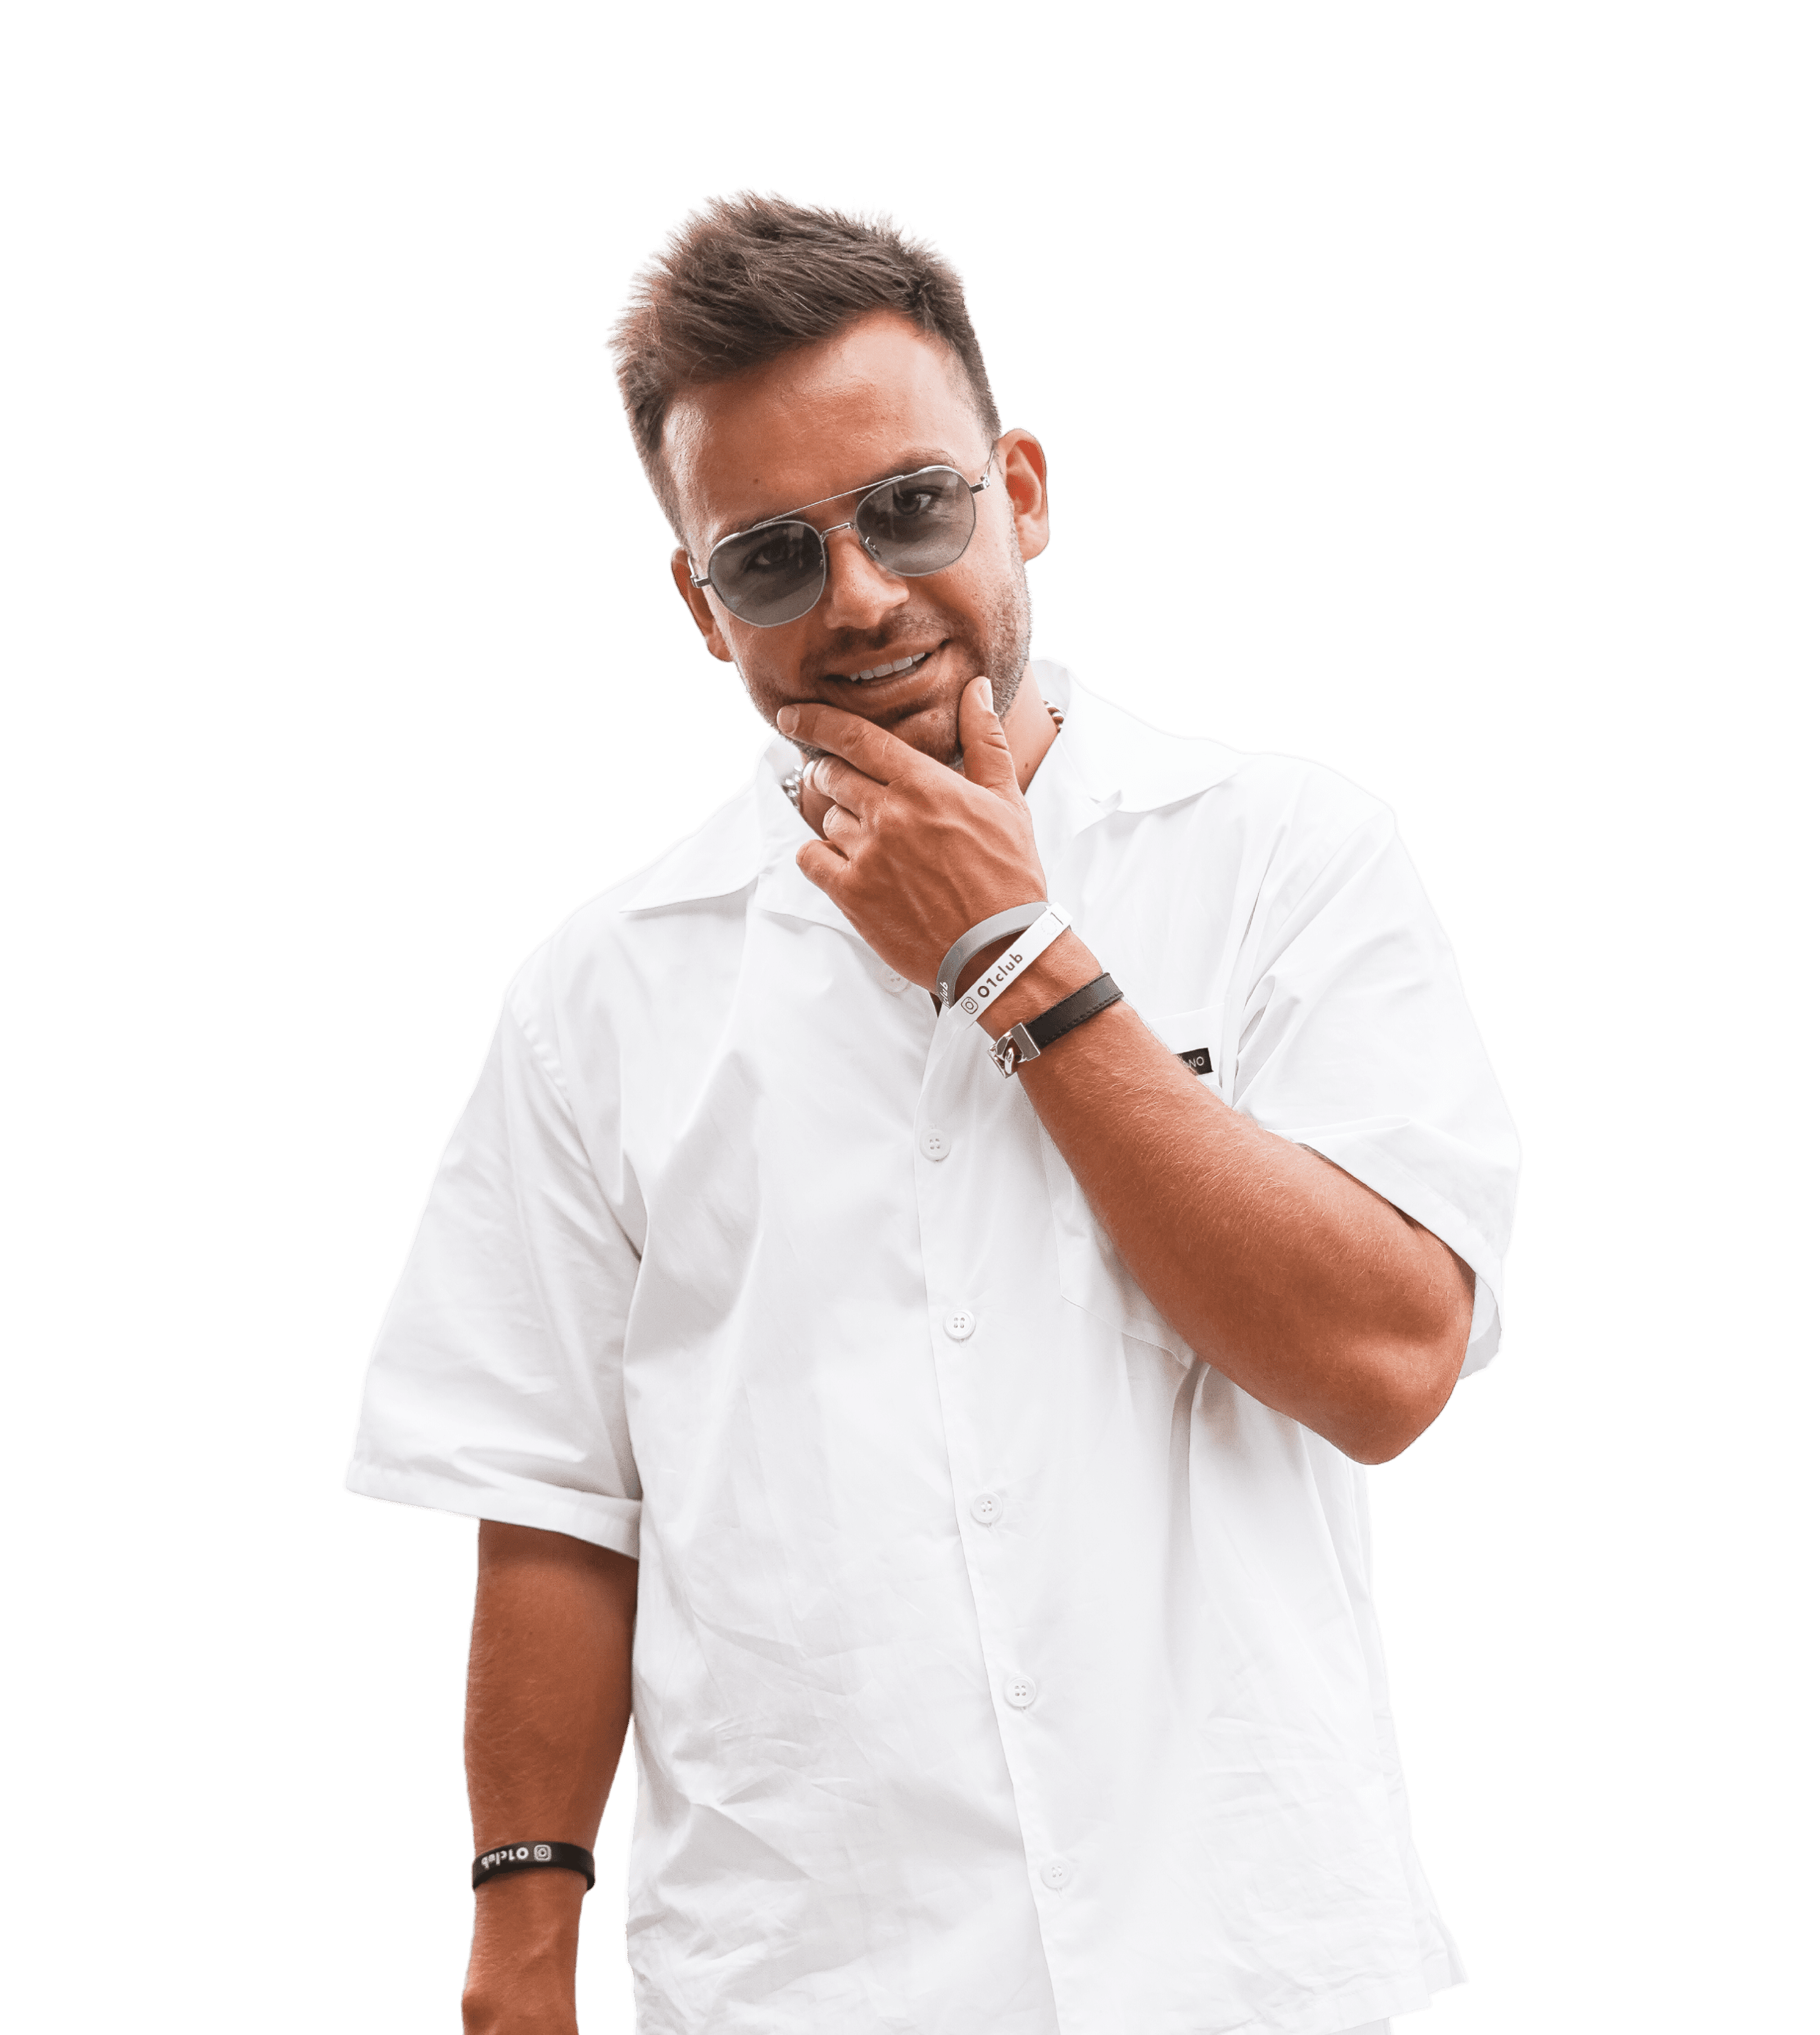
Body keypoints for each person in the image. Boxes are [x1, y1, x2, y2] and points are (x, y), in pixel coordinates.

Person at [345, 188, 1522, 2035]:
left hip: (1233, 1961)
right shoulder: (601, 993)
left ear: (1019, 490)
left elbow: (1385, 1364)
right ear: (700, 603)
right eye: (771, 559)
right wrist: (520, 1951)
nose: (863, 598)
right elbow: (556, 1508)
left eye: (910, 507)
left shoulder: (1287, 858)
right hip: (809, 1977)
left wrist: (1014, 958)